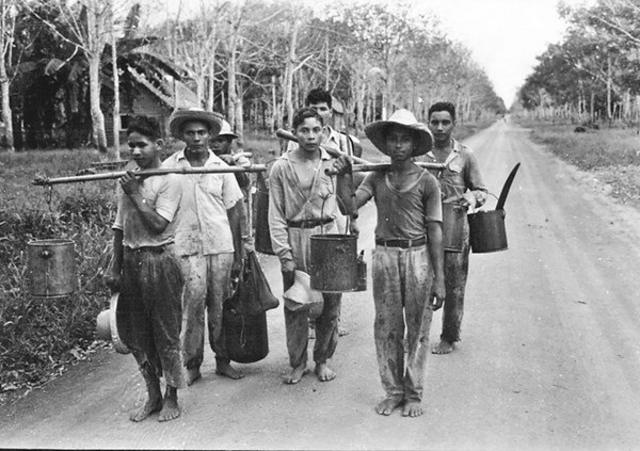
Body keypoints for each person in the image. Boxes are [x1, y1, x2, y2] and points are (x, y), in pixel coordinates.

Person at [333, 108, 445, 418]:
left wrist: (439, 278)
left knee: (418, 328)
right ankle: (393, 391)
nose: (398, 146)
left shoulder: (427, 182)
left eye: (404, 140)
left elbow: (435, 231)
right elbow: (349, 205)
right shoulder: (377, 175)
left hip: (418, 256)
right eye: (393, 140)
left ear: (413, 145)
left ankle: (414, 393)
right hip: (384, 257)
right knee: (386, 326)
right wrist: (344, 175)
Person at [106, 115, 185, 422]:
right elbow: (118, 226)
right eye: (132, 146)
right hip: (131, 261)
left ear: (158, 145)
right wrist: (115, 267)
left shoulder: (170, 179)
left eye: (142, 145)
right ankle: (152, 393)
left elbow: (157, 225)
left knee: (165, 332)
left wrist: (136, 194)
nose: (136, 152)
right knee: (137, 334)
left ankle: (171, 397)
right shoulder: (126, 177)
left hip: (160, 260)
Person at [268, 107, 354, 384]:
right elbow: (276, 214)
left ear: (323, 131)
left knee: (331, 303)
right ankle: (297, 362)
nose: (311, 136)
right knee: (297, 303)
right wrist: (285, 255)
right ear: (294, 133)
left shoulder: (334, 161)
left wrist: (345, 174)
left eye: (316, 130)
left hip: (328, 235)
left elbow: (346, 202)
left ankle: (323, 359)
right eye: (304, 130)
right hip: (296, 237)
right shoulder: (281, 167)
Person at [162, 108, 245, 385]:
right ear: (182, 136)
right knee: (193, 306)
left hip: (220, 245)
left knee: (220, 305)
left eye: (201, 133)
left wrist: (238, 253)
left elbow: (234, 210)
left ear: (210, 135)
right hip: (186, 247)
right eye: (190, 133)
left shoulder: (222, 168)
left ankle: (223, 360)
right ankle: (193, 363)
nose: (196, 138)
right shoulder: (170, 167)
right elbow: (159, 206)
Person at [422, 101, 487, 355]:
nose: (439, 128)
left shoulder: (465, 155)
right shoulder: (420, 154)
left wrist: (471, 198)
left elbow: (481, 190)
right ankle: (418, 334)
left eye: (445, 122)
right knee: (421, 282)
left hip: (455, 226)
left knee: (454, 284)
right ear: (428, 123)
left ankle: (449, 336)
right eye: (435, 122)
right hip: (423, 226)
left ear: (453, 124)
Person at [210, 119, 254, 251]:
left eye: (220, 141)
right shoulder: (207, 161)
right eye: (212, 141)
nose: (215, 145)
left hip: (237, 211)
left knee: (239, 247)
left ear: (229, 142)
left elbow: (245, 182)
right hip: (216, 212)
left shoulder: (240, 160)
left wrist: (232, 165)